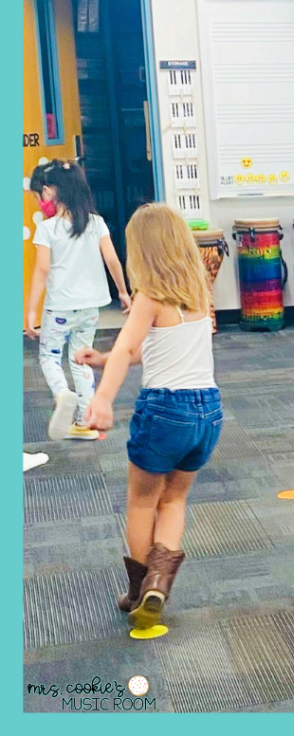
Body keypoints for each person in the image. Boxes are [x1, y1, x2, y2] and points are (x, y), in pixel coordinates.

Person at [76, 204, 222, 631]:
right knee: (173, 499)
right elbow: (154, 349)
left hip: (165, 411)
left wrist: (102, 399)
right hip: (208, 412)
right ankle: (159, 582)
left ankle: (140, 591)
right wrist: (104, 360)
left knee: (142, 501)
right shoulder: (197, 293)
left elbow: (126, 348)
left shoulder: (149, 296)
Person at [24, 160, 130, 441]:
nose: (39, 202)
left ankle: (61, 395)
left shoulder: (47, 229)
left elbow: (42, 270)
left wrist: (31, 311)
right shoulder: (95, 223)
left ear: (49, 192)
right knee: (81, 358)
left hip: (59, 307)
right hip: (90, 307)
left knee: (49, 356)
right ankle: (86, 421)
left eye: (39, 196)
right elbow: (112, 259)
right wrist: (123, 291)